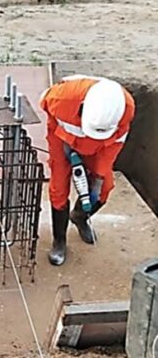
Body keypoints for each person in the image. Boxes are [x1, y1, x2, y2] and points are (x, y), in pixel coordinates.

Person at [40, 75, 135, 265]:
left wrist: (97, 179)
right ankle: (59, 241)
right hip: (62, 139)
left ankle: (79, 216)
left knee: (104, 188)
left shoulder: (126, 109)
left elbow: (114, 145)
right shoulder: (61, 99)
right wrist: (65, 144)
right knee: (58, 188)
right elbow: (49, 112)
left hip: (101, 147)